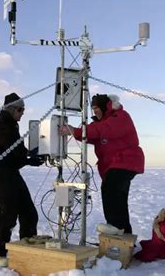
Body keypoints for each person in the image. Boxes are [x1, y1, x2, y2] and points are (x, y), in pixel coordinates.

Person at [60, 94, 144, 235]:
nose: (95, 111)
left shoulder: (120, 116)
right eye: (93, 108)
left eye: (97, 108)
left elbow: (104, 130)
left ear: (106, 107)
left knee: (110, 188)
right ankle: (124, 234)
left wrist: (75, 130)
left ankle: (115, 226)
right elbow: (92, 134)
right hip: (119, 164)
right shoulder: (102, 123)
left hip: (125, 161)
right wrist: (74, 132)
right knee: (119, 197)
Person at [0, 92, 43, 267]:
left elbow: (16, 154)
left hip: (11, 173)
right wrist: (27, 157)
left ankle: (27, 245)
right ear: (10, 109)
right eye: (20, 109)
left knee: (29, 212)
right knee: (6, 214)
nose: (22, 112)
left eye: (23, 109)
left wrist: (31, 158)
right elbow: (12, 148)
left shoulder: (12, 126)